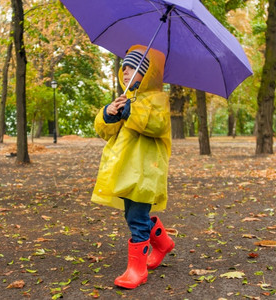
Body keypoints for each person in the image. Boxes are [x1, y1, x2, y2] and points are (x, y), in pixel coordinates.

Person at [91, 45, 174, 289]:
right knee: (132, 214)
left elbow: (157, 125)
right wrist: (109, 113)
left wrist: (131, 111)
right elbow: (107, 133)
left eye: (133, 68)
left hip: (146, 170)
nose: (126, 72)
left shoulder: (158, 99)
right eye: (124, 68)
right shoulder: (127, 98)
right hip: (127, 169)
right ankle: (163, 242)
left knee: (136, 218)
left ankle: (137, 269)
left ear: (147, 73)